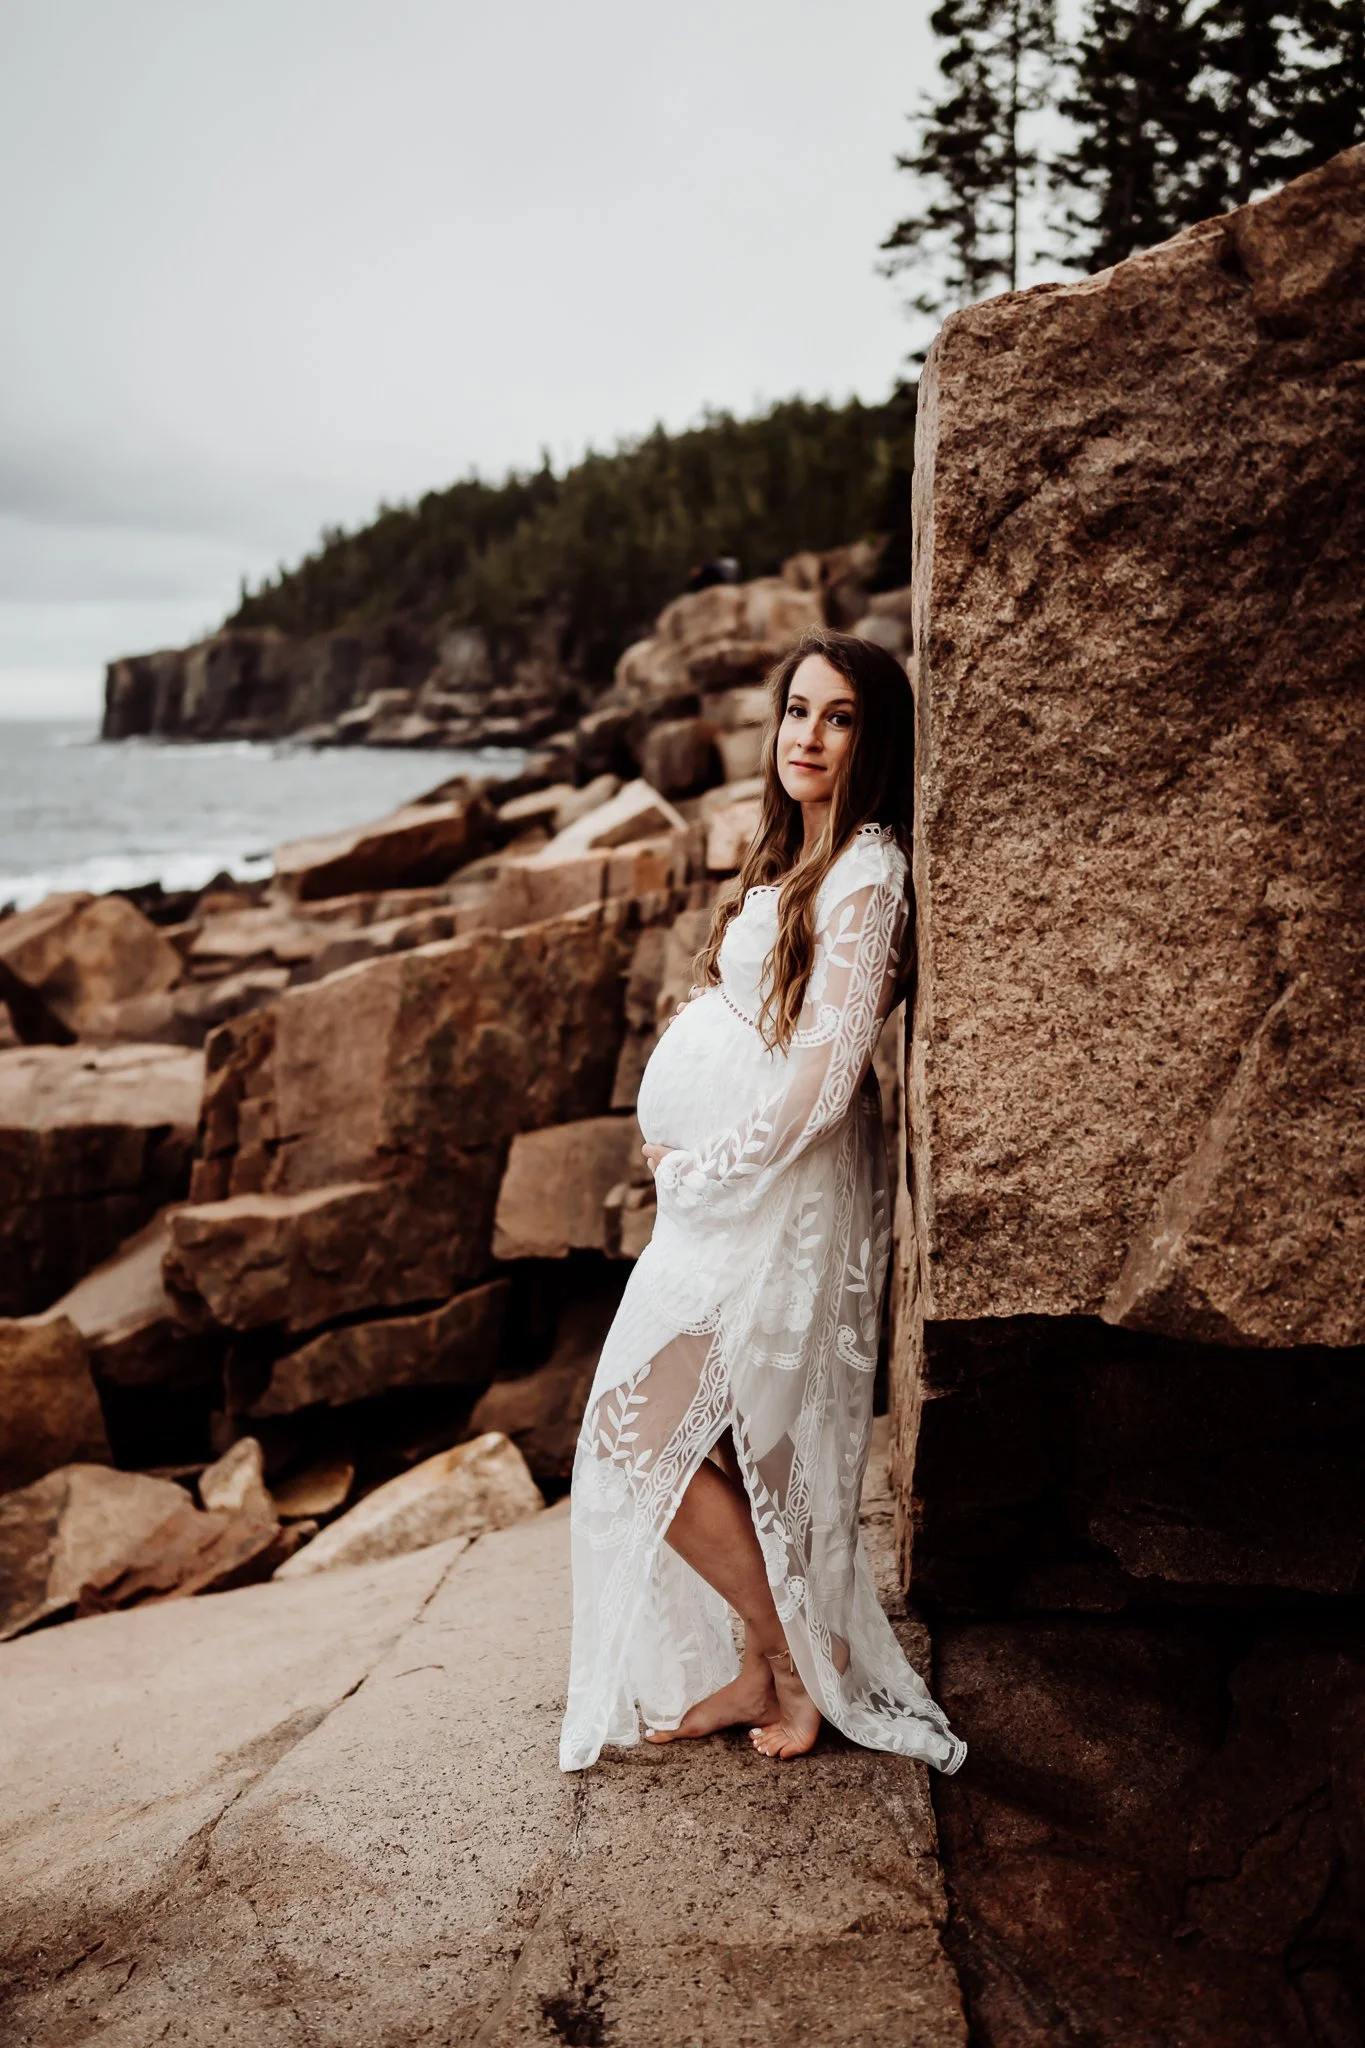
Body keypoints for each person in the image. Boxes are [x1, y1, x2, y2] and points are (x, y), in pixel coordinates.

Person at [559, 626, 966, 1775]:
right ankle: (755, 1661)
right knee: (717, 1433)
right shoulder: (794, 848)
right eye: (798, 710)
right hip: (734, 1194)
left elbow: (828, 1080)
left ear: (871, 737)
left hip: (776, 1192)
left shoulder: (871, 868)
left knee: (640, 1431)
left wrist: (698, 1161)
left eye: (839, 717)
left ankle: (798, 1656)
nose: (810, 734)